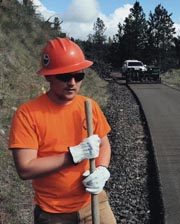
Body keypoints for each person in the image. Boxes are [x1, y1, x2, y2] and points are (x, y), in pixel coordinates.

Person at [9, 37, 116, 224]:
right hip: (54, 213)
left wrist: (102, 168)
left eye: (78, 76)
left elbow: (104, 142)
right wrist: (74, 155)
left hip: (92, 202)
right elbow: (25, 169)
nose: (72, 83)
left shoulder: (89, 106)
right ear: (49, 76)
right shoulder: (28, 114)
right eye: (65, 76)